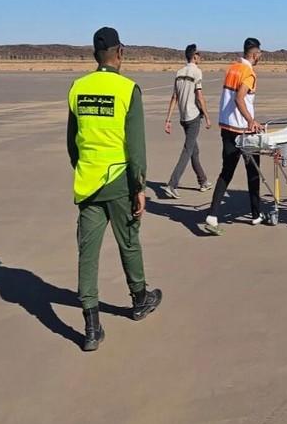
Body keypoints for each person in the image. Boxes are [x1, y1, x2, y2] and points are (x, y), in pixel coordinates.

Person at [67, 27, 162, 352]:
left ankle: (91, 325)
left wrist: (84, 168)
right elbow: (135, 147)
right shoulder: (127, 89)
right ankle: (139, 298)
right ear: (119, 52)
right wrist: (140, 187)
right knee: (129, 241)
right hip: (119, 180)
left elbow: (72, 142)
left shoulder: (78, 88)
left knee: (87, 253)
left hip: (88, 181)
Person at [205, 38, 265, 234]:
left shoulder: (232, 68)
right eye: (260, 54)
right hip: (243, 131)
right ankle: (256, 214)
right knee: (253, 171)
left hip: (226, 127)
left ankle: (212, 215)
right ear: (255, 54)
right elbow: (240, 98)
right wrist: (251, 121)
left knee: (227, 171)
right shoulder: (249, 72)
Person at [162, 44, 212, 198]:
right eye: (198, 54)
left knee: (194, 150)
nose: (200, 56)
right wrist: (207, 116)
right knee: (187, 150)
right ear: (194, 56)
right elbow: (199, 96)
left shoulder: (179, 72)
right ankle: (172, 184)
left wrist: (168, 119)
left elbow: (174, 98)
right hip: (193, 117)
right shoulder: (196, 72)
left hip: (183, 117)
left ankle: (203, 180)